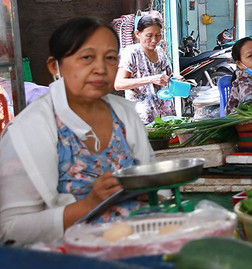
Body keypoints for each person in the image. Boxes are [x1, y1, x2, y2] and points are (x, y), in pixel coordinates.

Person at [0, 17, 155, 245]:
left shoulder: (126, 115)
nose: (100, 69)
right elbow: (9, 232)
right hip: (68, 268)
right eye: (87, 57)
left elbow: (154, 185)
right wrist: (90, 203)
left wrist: (149, 193)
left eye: (110, 58)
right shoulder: (29, 130)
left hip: (143, 248)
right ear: (55, 66)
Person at [113, 11, 175, 124]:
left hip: (165, 115)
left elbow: (168, 78)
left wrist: (176, 80)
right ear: (137, 34)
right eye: (149, 36)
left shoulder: (160, 52)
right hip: (142, 117)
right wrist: (151, 79)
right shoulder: (131, 53)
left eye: (158, 35)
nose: (154, 40)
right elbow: (118, 84)